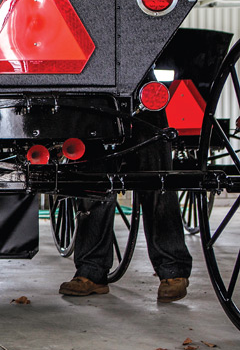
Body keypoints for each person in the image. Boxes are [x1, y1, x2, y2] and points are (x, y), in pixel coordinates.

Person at [58, 126, 192, 302]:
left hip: (141, 109)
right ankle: (91, 271)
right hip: (97, 110)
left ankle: (172, 269)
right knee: (94, 181)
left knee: (158, 180)